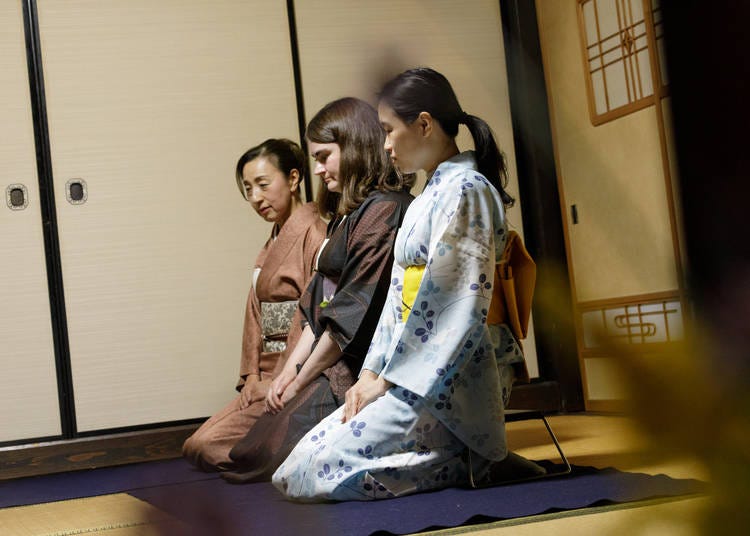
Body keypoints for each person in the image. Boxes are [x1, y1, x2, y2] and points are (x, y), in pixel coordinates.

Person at [273, 67, 533, 501]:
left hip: (454, 371)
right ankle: (466, 458)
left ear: (425, 124)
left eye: (389, 131)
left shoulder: (468, 189)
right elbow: (399, 298)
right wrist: (372, 373)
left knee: (316, 474)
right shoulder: (426, 198)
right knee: (295, 467)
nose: (386, 145)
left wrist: (388, 380)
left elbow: (456, 305)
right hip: (405, 366)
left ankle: (472, 457)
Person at [221, 97, 414, 482]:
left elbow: (346, 317)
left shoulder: (384, 211)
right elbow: (316, 309)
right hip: (314, 354)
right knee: (247, 451)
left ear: (356, 148)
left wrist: (299, 379)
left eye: (324, 157)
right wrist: (286, 375)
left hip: (356, 362)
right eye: (249, 188)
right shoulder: (350, 213)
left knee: (265, 459)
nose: (318, 170)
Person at [182, 138, 327, 471]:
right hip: (263, 375)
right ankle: (287, 451)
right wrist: (250, 376)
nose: (255, 197)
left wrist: (277, 380)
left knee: (205, 446)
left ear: (293, 180)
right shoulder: (273, 241)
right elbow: (255, 316)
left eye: (263, 184)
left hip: (297, 374)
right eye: (248, 189)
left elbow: (309, 318)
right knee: (197, 447)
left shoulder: (316, 235)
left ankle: (290, 449)